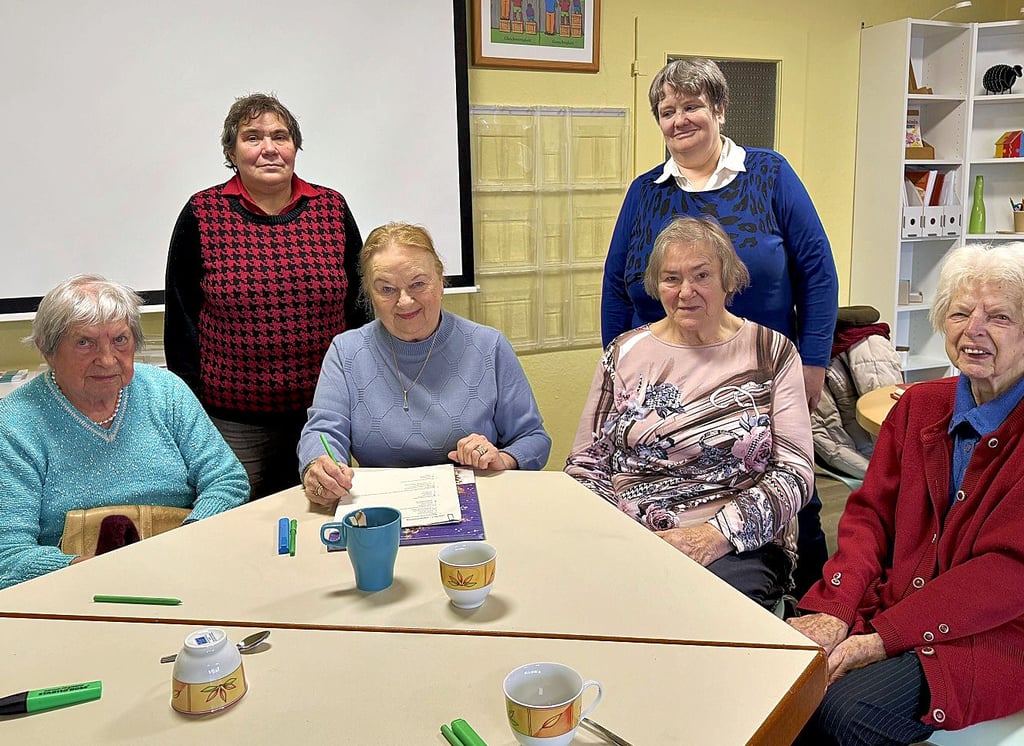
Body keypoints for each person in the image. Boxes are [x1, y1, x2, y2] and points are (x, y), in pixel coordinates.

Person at [600, 59, 839, 596]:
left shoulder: (770, 175)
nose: (679, 120)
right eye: (667, 111)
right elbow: (617, 286)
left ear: (720, 110)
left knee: (789, 490)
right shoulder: (645, 192)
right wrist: (617, 372)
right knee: (669, 484)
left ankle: (815, 606)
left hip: (762, 376)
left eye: (692, 107)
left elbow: (819, 274)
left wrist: (815, 363)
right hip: (665, 381)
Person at [791, 243, 1024, 745]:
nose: (974, 329)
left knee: (842, 712)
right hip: (899, 606)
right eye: (960, 313)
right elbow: (869, 518)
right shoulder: (919, 405)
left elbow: (1006, 574)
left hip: (997, 632)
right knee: (788, 682)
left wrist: (882, 639)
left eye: (999, 317)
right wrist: (835, 608)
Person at [566, 217, 814, 609]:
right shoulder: (624, 352)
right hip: (632, 528)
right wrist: (613, 535)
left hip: (739, 541)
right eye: (671, 279)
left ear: (728, 280)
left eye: (701, 275)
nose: (686, 292)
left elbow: (795, 473)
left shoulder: (771, 352)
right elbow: (586, 463)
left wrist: (716, 535)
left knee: (694, 611)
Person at [164, 93, 367, 499]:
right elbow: (181, 321)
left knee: (323, 513)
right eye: (253, 137)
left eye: (281, 136)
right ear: (231, 151)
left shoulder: (331, 207)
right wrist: (193, 411)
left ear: (295, 147)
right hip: (233, 422)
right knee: (237, 524)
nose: (269, 148)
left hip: (322, 412)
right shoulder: (202, 213)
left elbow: (360, 308)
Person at [0, 275, 248, 590]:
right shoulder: (15, 423)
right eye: (84, 343)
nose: (107, 359)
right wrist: (97, 571)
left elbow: (227, 479)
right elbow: (8, 556)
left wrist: (192, 535)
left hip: (187, 563)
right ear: (47, 350)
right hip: (75, 586)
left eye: (120, 340)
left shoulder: (165, 391)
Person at [299, 223, 551, 505]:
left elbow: (534, 438)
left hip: (479, 503)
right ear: (369, 293)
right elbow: (323, 431)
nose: (405, 302)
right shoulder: (346, 351)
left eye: (418, 284)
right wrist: (320, 467)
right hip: (382, 510)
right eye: (386, 289)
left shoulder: (488, 345)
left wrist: (502, 459)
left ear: (441, 281)